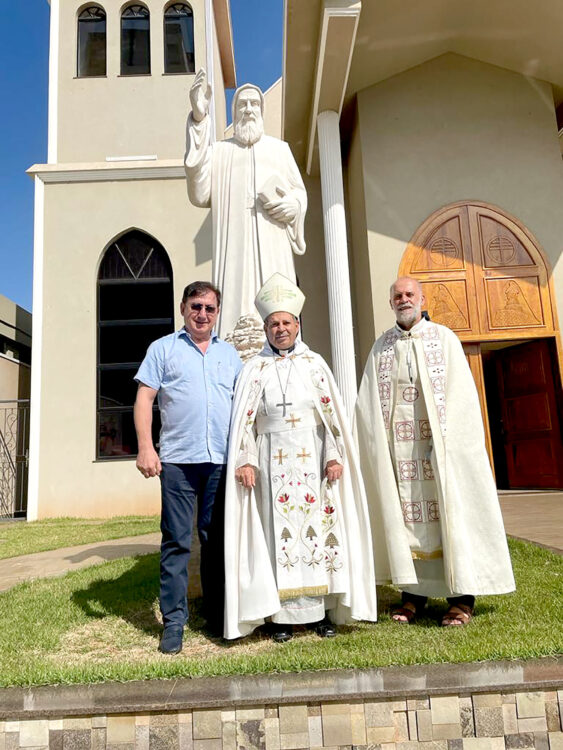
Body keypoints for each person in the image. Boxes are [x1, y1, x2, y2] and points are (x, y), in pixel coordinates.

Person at [223, 273, 377, 642]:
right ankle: (280, 618)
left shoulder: (315, 365)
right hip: (270, 459)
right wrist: (245, 459)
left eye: (286, 323)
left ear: (297, 325)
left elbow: (331, 420)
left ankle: (320, 613)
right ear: (265, 328)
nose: (280, 329)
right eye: (273, 323)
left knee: (317, 535)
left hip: (312, 462)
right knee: (277, 538)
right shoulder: (254, 370)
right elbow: (244, 422)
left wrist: (335, 456)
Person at [356, 277, 515, 626]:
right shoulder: (381, 347)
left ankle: (461, 599)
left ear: (422, 298)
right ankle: (413, 597)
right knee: (408, 525)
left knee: (450, 518)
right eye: (397, 295)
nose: (403, 299)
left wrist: (449, 446)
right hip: (400, 457)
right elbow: (367, 405)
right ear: (390, 303)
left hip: (439, 454)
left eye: (409, 294)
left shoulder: (443, 339)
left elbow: (461, 399)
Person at [134, 281, 242, 653]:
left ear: (216, 313)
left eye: (210, 309)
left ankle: (216, 614)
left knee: (216, 540)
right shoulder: (162, 349)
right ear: (183, 308)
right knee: (177, 541)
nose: (202, 314)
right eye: (196, 306)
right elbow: (144, 398)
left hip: (220, 460)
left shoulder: (230, 356)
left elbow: (246, 408)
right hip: (177, 460)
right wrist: (147, 448)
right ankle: (174, 622)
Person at [185, 69, 307, 340]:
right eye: (242, 104)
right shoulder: (220, 151)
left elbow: (299, 193)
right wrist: (199, 118)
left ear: (262, 110)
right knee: (234, 300)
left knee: (278, 301)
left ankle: (282, 341)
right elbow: (200, 191)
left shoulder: (279, 149)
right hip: (235, 245)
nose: (249, 109)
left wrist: (294, 207)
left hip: (273, 242)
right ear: (234, 111)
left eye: (254, 103)